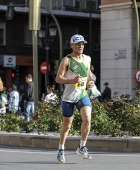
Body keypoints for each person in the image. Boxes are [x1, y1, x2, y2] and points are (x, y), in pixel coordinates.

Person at [55, 34, 94, 162]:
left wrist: (90, 83)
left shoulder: (87, 59)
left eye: (82, 44)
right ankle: (61, 149)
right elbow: (58, 78)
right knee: (67, 125)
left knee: (87, 118)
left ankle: (82, 147)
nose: (80, 46)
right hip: (68, 97)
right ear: (71, 46)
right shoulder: (66, 60)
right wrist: (71, 80)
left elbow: (89, 75)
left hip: (82, 95)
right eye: (77, 44)